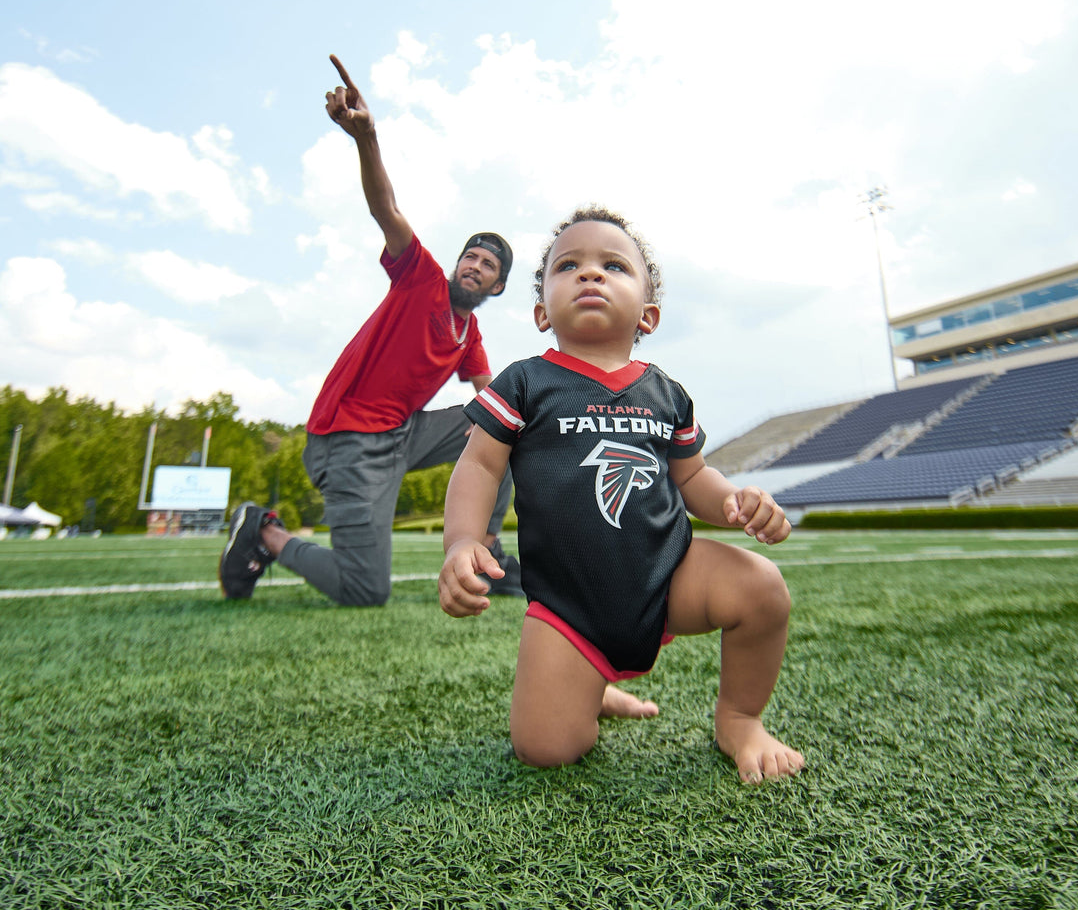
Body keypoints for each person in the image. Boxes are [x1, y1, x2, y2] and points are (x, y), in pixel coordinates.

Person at [438, 206, 805, 782]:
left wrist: (735, 503)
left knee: (761, 587)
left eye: (613, 265)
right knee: (546, 750)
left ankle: (740, 719)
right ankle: (588, 684)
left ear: (648, 315)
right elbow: (480, 465)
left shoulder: (666, 393)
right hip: (568, 602)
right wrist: (462, 541)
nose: (590, 273)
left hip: (668, 574)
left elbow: (693, 478)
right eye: (568, 266)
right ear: (541, 312)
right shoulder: (525, 382)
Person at [218, 54, 522, 605]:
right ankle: (264, 531)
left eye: (487, 266)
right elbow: (387, 209)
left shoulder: (469, 333)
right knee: (364, 589)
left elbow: (492, 397)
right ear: (457, 263)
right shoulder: (421, 279)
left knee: (506, 424)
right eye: (470, 257)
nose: (473, 266)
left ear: (496, 286)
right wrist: (366, 138)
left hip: (403, 433)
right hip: (349, 440)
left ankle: (488, 548)